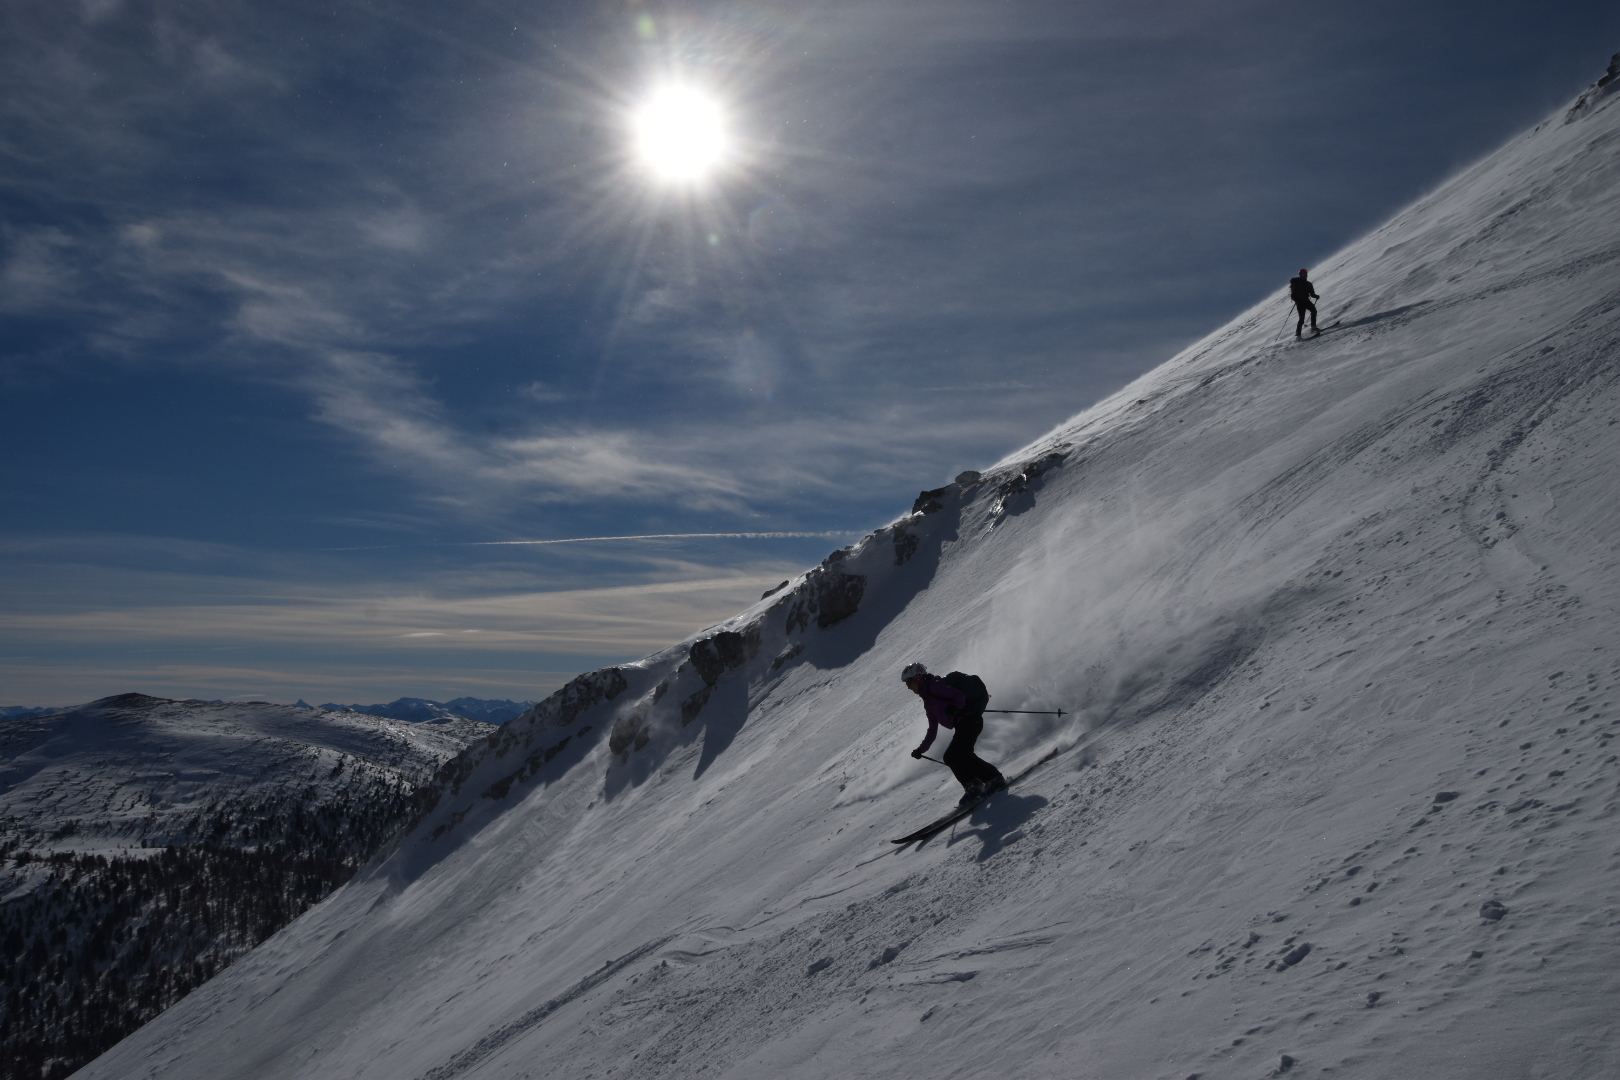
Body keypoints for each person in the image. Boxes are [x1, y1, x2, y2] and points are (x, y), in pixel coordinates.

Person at [901, 662, 1007, 805]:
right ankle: (973, 785)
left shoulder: (935, 686)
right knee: (950, 757)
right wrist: (921, 749)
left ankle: (994, 778)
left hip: (971, 720)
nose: (908, 687)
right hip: (963, 725)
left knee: (963, 753)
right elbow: (932, 729)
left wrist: (955, 707)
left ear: (918, 678)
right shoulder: (928, 701)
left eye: (909, 683)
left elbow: (959, 696)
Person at [1290, 268, 1319, 338]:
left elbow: (1312, 294)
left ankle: (1313, 327)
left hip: (1306, 300)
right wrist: (1297, 300)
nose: (1305, 276)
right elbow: (1293, 295)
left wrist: (1316, 296)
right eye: (1303, 274)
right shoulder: (1297, 284)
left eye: (1305, 274)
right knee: (1302, 319)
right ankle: (1298, 335)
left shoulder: (1309, 284)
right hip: (1300, 303)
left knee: (1314, 311)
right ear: (1300, 275)